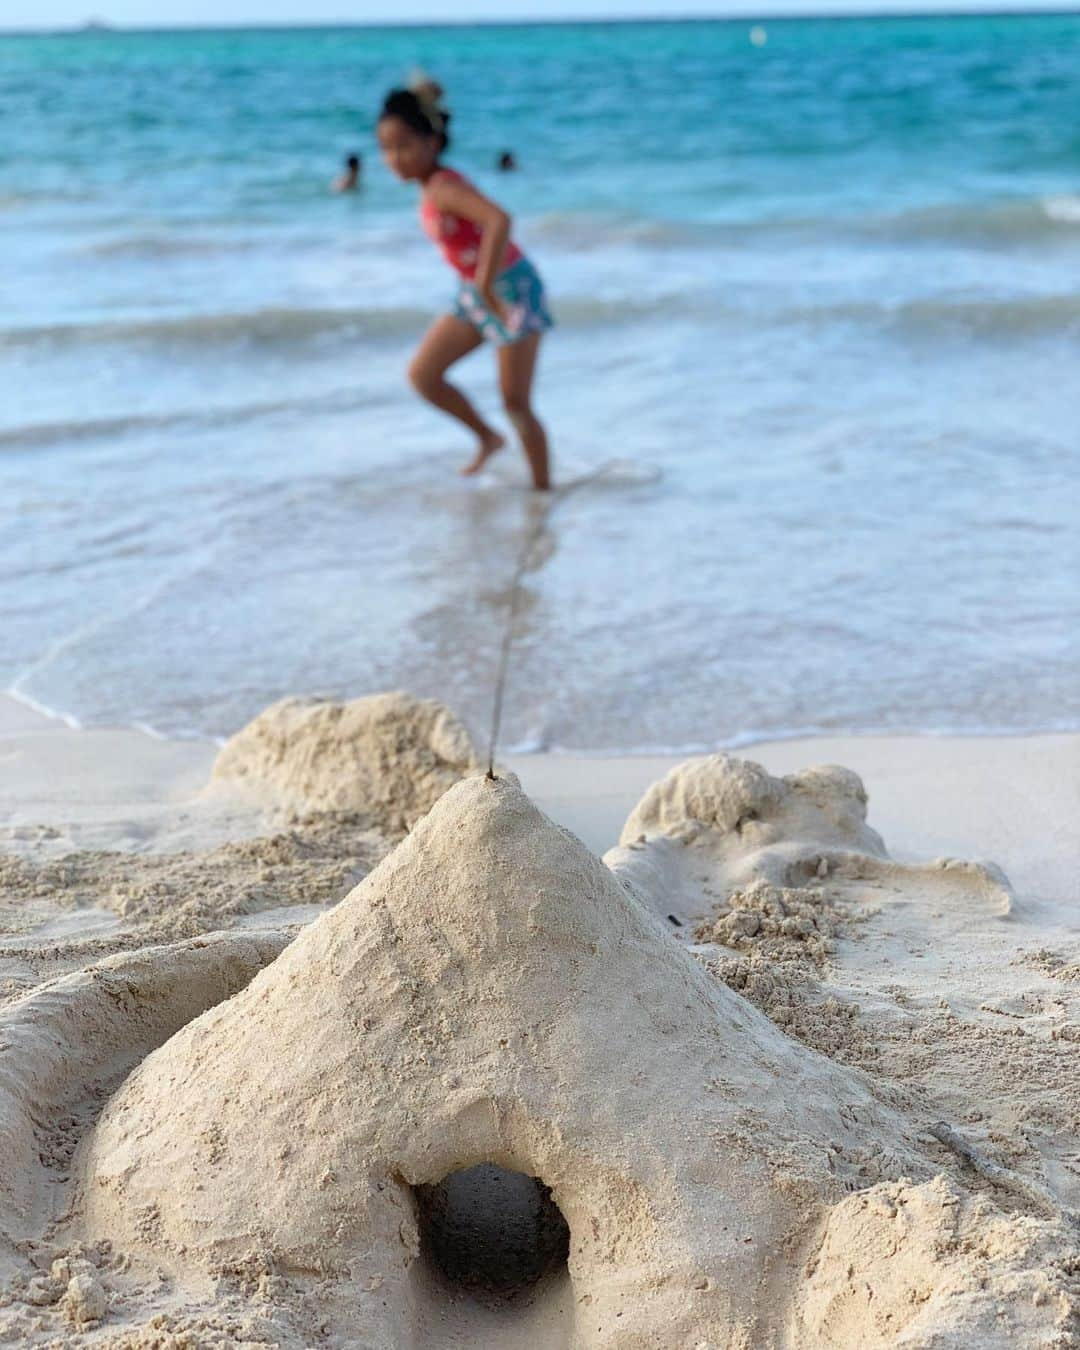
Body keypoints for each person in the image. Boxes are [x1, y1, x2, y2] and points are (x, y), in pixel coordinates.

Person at [377, 78, 552, 489]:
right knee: (424, 375)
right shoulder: (430, 188)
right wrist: (479, 289)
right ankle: (487, 438)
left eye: (404, 146)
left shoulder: (443, 187)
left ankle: (543, 492)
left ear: (433, 143)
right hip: (476, 290)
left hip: (510, 287)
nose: (393, 158)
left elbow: (499, 220)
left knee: (515, 401)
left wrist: (488, 285)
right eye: (385, 148)